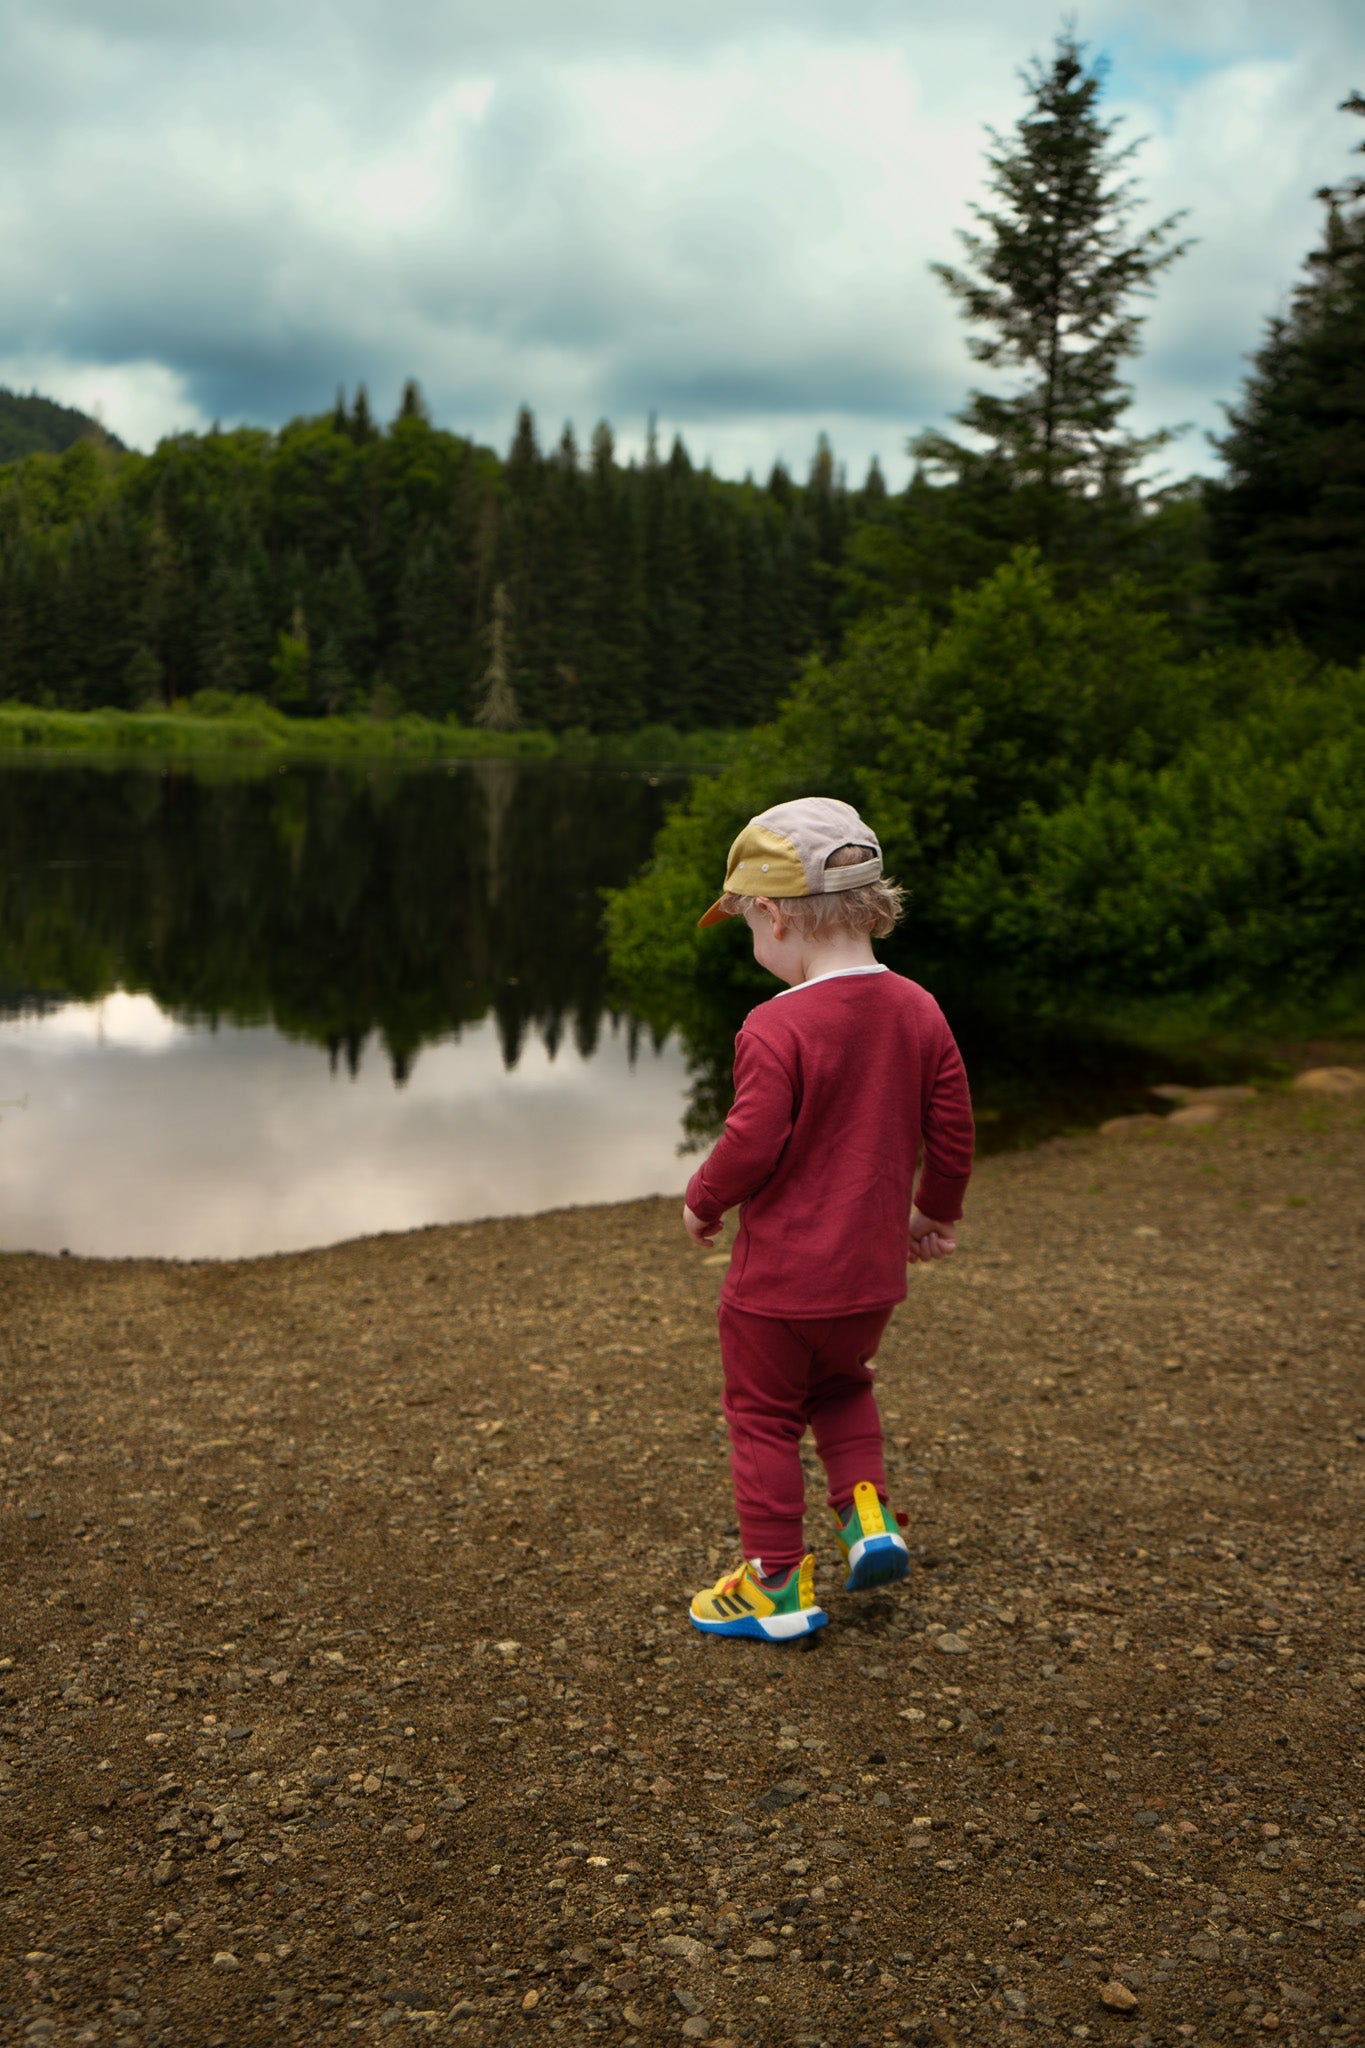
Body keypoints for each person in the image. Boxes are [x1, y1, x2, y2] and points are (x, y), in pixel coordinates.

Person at [682, 796, 974, 1643]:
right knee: (845, 1386)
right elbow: (950, 1128)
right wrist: (933, 1216)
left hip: (778, 1287)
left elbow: (751, 1142)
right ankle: (868, 1516)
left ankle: (773, 1584)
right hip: (869, 1278)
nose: (753, 946)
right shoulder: (919, 1008)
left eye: (746, 927)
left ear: (772, 915)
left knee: (764, 1416)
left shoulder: (775, 1026)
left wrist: (703, 1197)